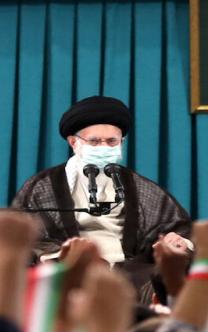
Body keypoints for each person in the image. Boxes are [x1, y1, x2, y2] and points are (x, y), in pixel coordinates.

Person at [12, 95, 192, 286]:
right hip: (70, 271)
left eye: (112, 141)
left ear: (122, 142)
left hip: (131, 273)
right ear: (73, 142)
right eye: (95, 141)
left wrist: (178, 242)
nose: (104, 147)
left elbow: (178, 228)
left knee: (164, 280)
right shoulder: (43, 186)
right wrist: (62, 255)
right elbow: (21, 234)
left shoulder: (138, 185)